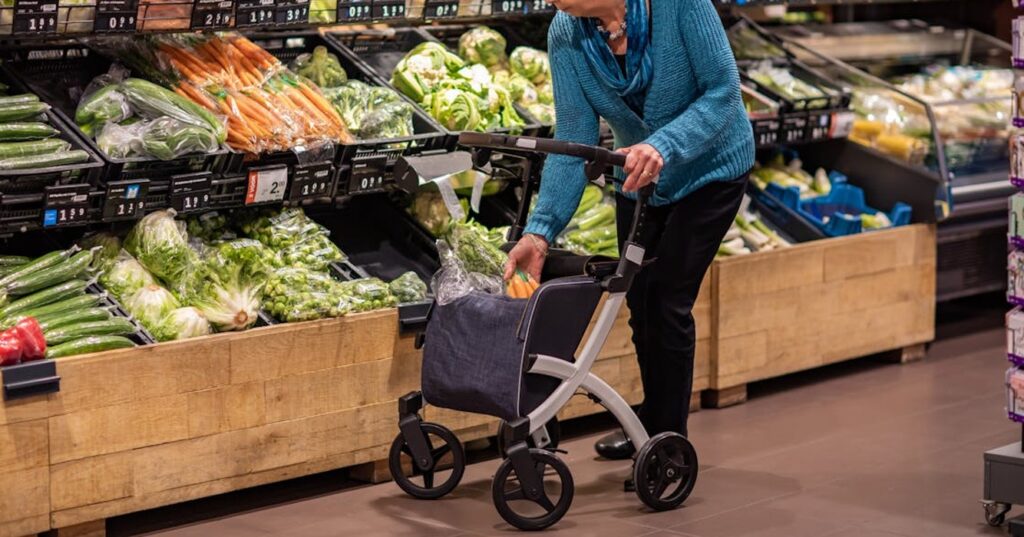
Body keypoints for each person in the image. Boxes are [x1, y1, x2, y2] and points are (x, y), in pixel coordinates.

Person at [503, 0, 755, 481]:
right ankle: (649, 428)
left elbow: (723, 93)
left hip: (712, 171)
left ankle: (669, 443)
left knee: (667, 301)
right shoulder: (567, 32)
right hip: (639, 183)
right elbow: (574, 136)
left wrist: (663, 144)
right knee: (639, 301)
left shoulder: (680, 7)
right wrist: (541, 230)